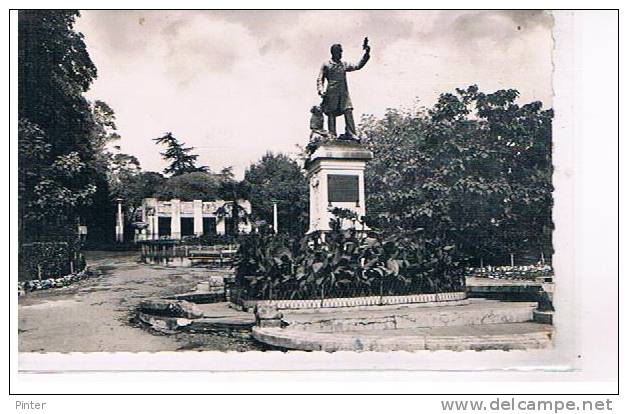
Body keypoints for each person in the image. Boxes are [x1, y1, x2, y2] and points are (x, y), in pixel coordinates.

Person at [316, 42, 370, 138]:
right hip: (331, 92)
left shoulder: (344, 64)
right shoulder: (326, 64)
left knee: (348, 110)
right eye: (339, 52)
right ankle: (332, 134)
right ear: (333, 53)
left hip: (343, 92)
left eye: (341, 52)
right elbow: (320, 78)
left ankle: (351, 133)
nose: (341, 54)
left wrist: (366, 54)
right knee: (331, 113)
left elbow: (357, 66)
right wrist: (321, 90)